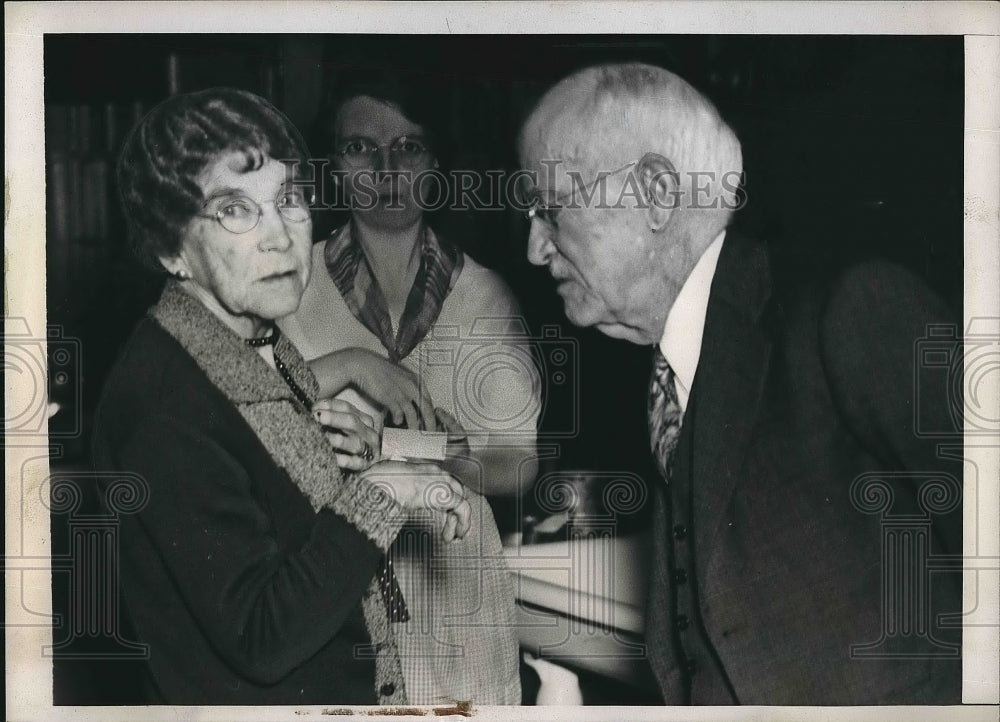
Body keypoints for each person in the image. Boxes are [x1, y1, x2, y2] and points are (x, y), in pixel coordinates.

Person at [516, 62, 963, 705]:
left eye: (551, 210)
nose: (535, 247)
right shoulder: (664, 372)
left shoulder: (853, 310)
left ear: (655, 195)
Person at [92, 87, 476, 705]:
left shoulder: (251, 344)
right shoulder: (162, 400)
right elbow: (261, 633)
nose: (280, 238)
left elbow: (287, 524)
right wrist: (382, 493)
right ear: (170, 248)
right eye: (235, 211)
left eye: (289, 200)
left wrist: (371, 470)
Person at [280, 72, 536, 704]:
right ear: (334, 165)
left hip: (461, 606)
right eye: (362, 148)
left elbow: (518, 465)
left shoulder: (485, 296)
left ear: (436, 162)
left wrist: (421, 451)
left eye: (410, 146)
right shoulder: (288, 287)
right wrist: (345, 363)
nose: (388, 168)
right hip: (332, 600)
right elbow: (246, 422)